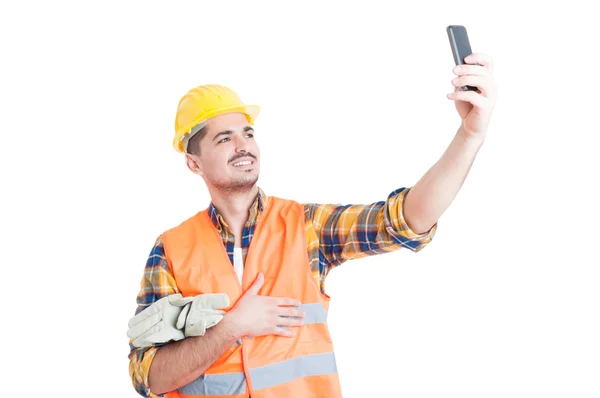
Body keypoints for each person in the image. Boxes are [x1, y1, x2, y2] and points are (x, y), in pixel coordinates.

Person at [127, 53, 498, 397]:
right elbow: (150, 377)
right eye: (225, 138)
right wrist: (231, 327)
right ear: (194, 163)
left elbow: (404, 219)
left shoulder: (306, 227)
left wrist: (469, 136)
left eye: (248, 132)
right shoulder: (172, 249)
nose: (244, 145)